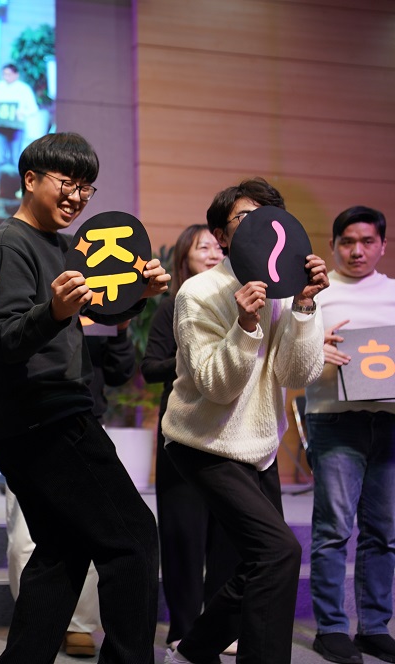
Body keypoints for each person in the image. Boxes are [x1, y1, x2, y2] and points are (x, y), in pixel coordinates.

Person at [0, 132, 168, 664]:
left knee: (63, 549)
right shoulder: (8, 245)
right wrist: (55, 311)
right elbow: (2, 338)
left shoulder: (64, 246)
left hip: (43, 415)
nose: (78, 196)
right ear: (31, 179)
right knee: (133, 537)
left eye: (87, 187)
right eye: (67, 182)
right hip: (43, 416)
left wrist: (138, 293)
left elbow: (99, 308)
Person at [161, 177, 329, 664]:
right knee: (279, 552)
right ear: (222, 236)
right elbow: (217, 386)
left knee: (259, 561)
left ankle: (192, 651)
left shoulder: (286, 288)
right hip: (202, 444)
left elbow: (295, 374)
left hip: (259, 448)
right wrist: (246, 325)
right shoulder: (198, 292)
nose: (263, 226)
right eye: (246, 217)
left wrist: (304, 306)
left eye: (270, 215)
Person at [5, 322, 137, 658]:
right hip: (30, 422)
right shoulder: (28, 297)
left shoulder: (99, 299)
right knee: (25, 541)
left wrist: (121, 330)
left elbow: (119, 371)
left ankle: (79, 624)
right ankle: (35, 625)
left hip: (85, 421)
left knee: (97, 532)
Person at [140, 224, 239, 652]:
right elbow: (151, 367)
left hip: (230, 432)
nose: (215, 252)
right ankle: (183, 627)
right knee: (183, 537)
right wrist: (193, 356)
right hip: (182, 434)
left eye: (219, 246)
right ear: (184, 257)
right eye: (204, 247)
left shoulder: (238, 304)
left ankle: (216, 630)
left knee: (227, 536)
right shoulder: (172, 305)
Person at [304, 205, 395, 664]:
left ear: (382, 245)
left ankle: (374, 627)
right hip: (335, 420)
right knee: (334, 530)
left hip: (389, 422)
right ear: (333, 245)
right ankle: (332, 629)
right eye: (347, 242)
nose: (357, 251)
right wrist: (315, 349)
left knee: (384, 533)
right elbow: (291, 355)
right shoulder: (317, 295)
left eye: (367, 241)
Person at [0, 64, 37, 173]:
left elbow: (34, 109)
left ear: (16, 75)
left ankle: (14, 181)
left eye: (9, 74)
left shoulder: (24, 89)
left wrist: (23, 113)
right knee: (0, 157)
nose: (6, 77)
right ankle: (0, 180)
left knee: (16, 158)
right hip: (1, 126)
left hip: (17, 127)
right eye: (4, 74)